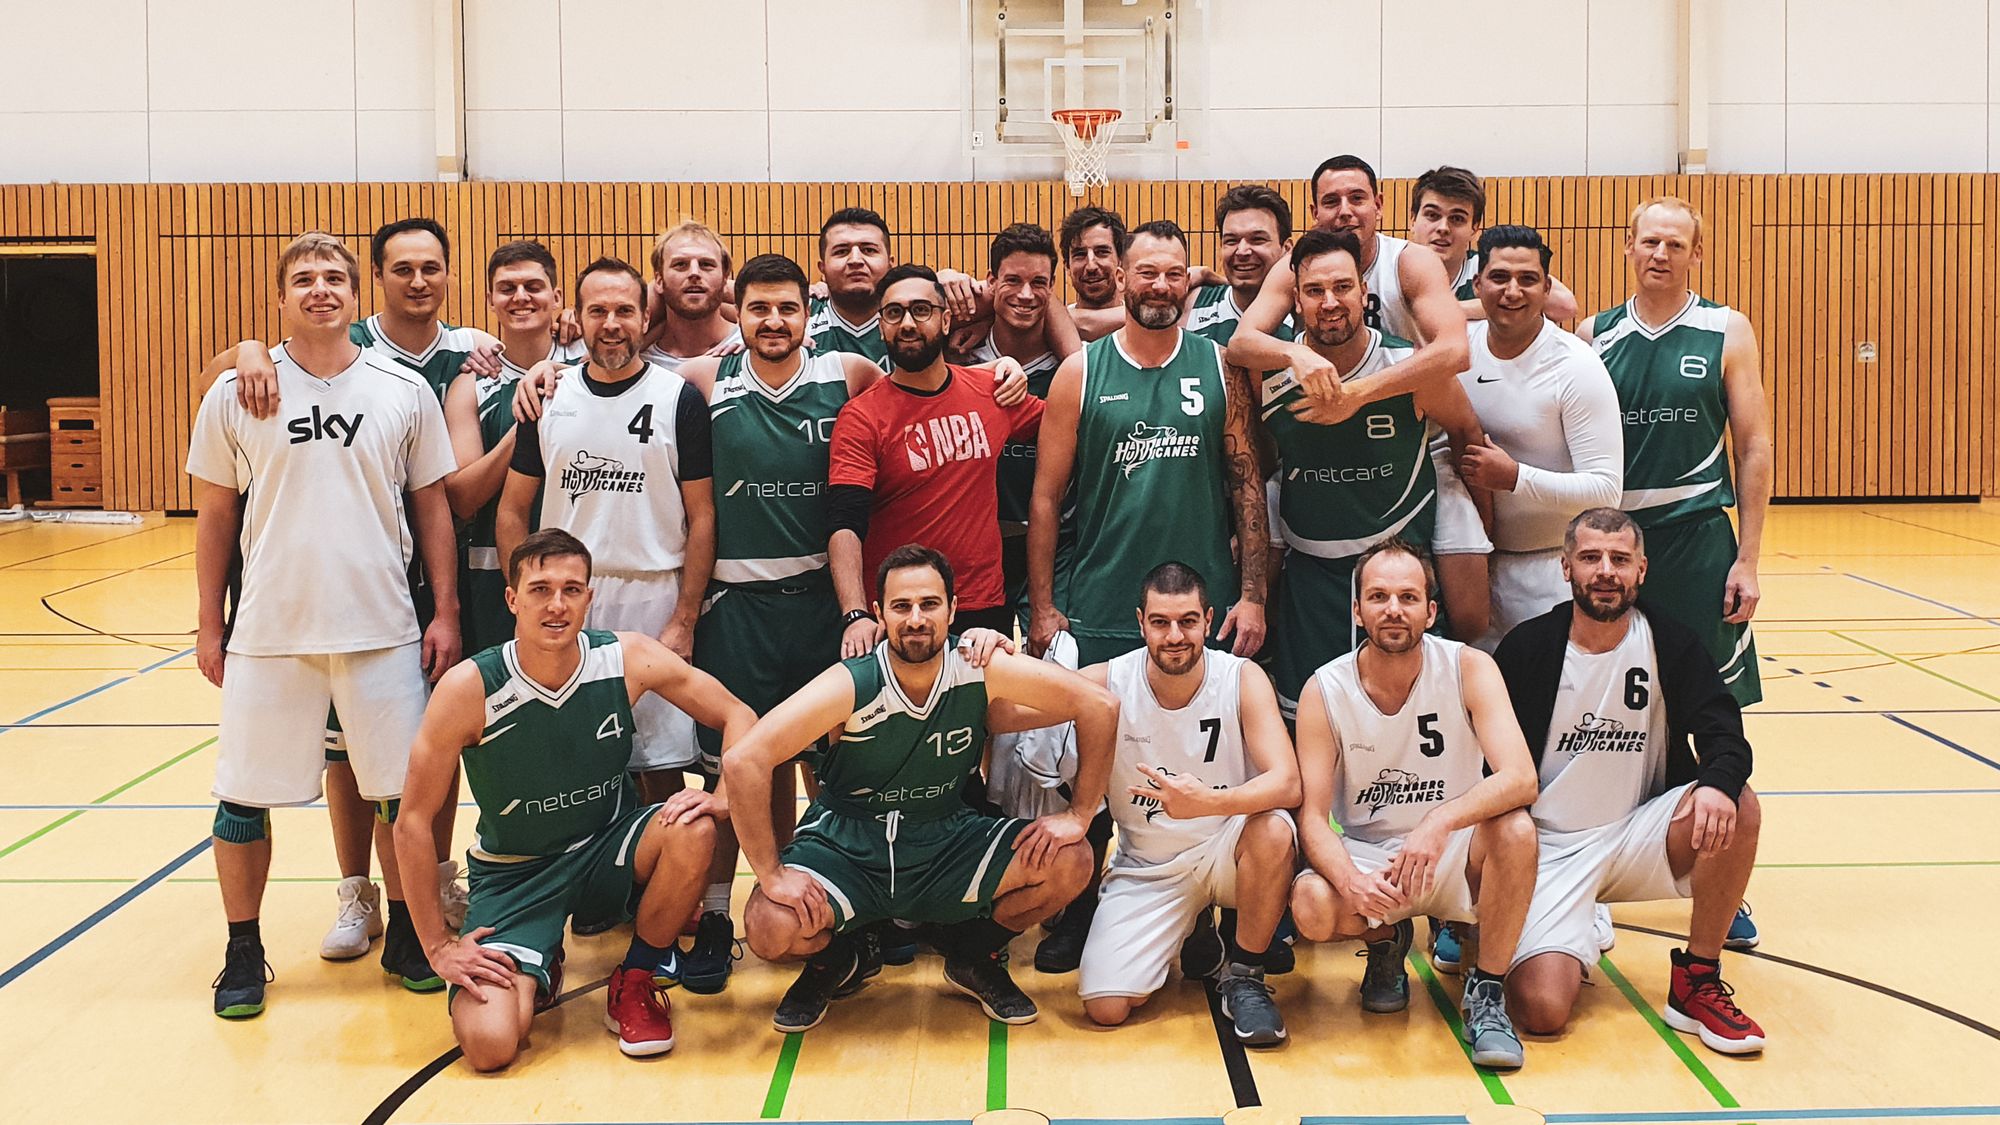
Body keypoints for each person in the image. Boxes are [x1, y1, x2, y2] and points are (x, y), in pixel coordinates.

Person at [197, 217, 495, 959]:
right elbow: (216, 515)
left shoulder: (404, 388)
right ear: (280, 299)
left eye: (333, 279)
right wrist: (208, 623)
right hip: (270, 629)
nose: (320, 290)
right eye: (303, 280)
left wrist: (446, 611)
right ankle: (243, 948)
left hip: (383, 625)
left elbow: (432, 508)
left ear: (355, 295)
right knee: (241, 798)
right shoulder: (239, 390)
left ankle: (407, 934)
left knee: (401, 793)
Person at [394, 529, 756, 1070]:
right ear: (512, 598)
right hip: (516, 875)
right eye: (540, 589)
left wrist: (723, 797)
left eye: (571, 589)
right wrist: (437, 946)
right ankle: (541, 958)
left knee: (694, 827)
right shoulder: (470, 687)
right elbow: (412, 823)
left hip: (607, 850)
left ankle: (636, 978)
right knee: (490, 1044)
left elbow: (738, 715)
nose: (557, 605)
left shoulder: (625, 657)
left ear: (589, 597)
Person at [725, 546, 1119, 1032]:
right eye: (902, 606)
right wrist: (771, 875)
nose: (915, 619)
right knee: (768, 927)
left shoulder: (979, 668)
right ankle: (838, 960)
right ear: (879, 614)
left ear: (953, 610)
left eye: (929, 604)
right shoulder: (852, 683)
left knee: (1071, 860)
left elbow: (1099, 704)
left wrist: (1080, 815)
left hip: (944, 840)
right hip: (848, 845)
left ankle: (975, 955)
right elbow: (743, 760)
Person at [664, 253, 887, 993]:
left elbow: (919, 397)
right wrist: (543, 369)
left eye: (787, 307)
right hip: (737, 608)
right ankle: (717, 916)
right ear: (739, 311)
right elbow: (619, 373)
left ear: (808, 313)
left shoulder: (848, 374)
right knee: (735, 772)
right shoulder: (703, 380)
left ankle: (842, 913)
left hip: (821, 603)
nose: (773, 321)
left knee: (833, 774)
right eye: (758, 307)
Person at [1495, 508, 1766, 1054]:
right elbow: (1486, 767)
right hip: (1548, 851)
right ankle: (1563, 920)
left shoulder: (1671, 642)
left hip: (1638, 835)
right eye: (1590, 558)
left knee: (1737, 803)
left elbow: (1725, 733)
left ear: (1641, 570)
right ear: (1565, 567)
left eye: (1619, 559)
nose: (1605, 571)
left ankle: (1697, 980)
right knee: (1542, 1011)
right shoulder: (1527, 649)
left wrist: (1716, 784)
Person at [1583, 196, 1772, 950]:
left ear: (1697, 252)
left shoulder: (1726, 329)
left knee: (1710, 709)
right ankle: (1599, 868)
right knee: (1612, 712)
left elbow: (1752, 446)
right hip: (1616, 547)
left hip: (1696, 540)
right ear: (1627, 247)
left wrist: (1748, 557)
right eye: (1649, 241)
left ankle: (1723, 875)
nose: (1660, 254)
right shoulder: (1595, 335)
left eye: (1675, 243)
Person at [1288, 540, 1538, 1069]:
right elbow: (1311, 820)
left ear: (1431, 610)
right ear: (1357, 610)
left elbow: (1520, 778)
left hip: (1452, 848)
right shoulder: (1324, 689)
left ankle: (1487, 993)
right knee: (1310, 905)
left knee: (1517, 830)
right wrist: (1352, 884)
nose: (1393, 609)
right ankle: (1387, 939)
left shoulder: (1470, 667)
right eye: (1378, 596)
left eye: (1408, 597)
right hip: (1373, 857)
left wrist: (1439, 820)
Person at [1225, 156, 1486, 645]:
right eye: (1331, 201)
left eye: (1357, 198)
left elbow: (1454, 351)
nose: (1345, 211)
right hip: (1325, 419)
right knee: (1276, 523)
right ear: (1315, 212)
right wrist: (1296, 354)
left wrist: (1355, 396)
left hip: (1419, 429)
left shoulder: (1410, 261)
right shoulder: (1295, 266)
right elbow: (1242, 343)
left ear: (1379, 206)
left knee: (1470, 613)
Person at [496, 257, 714, 805]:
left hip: (653, 597)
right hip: (566, 600)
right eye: (597, 311)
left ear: (644, 318)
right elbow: (511, 511)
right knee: (570, 760)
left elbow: (703, 517)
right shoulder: (548, 397)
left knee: (659, 767)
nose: (611, 324)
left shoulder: (678, 398)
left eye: (624, 311)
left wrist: (684, 619)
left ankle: (664, 864)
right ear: (577, 317)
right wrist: (525, 598)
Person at [1257, 229, 1487, 721]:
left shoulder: (1410, 367)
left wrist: (1490, 531)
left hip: (1398, 578)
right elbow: (1261, 459)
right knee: (1312, 728)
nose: (1330, 302)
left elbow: (1468, 434)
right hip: (1311, 580)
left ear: (1365, 293)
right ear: (1295, 300)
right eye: (1315, 291)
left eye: (1343, 287)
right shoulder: (1269, 374)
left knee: (1416, 728)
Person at [1076, 563, 1300, 1047]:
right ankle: (1193, 926)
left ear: (1209, 620)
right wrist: (991, 650)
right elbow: (1016, 703)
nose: (1175, 636)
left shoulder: (1240, 677)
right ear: (1141, 623)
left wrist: (1209, 802)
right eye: (1161, 622)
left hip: (1228, 850)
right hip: (1149, 866)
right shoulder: (1106, 682)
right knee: (1106, 1007)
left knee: (1275, 830)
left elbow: (1288, 783)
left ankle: (1245, 974)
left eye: (1188, 621)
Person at [1028, 219, 1269, 667]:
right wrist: (1043, 607)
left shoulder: (1221, 366)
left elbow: (1248, 487)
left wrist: (1253, 597)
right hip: (1103, 604)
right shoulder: (1079, 372)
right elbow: (1046, 498)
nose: (1161, 286)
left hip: (1203, 608)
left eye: (1174, 274)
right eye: (1148, 273)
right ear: (1121, 278)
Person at [828, 265, 1044, 646]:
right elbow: (844, 523)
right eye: (894, 313)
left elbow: (1070, 422)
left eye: (921, 310)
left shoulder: (993, 392)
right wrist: (856, 614)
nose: (907, 323)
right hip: (901, 611)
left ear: (945, 321)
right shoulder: (861, 416)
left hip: (981, 605)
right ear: (881, 326)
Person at [1454, 226, 1623, 648]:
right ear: (1477, 284)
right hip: (1470, 572)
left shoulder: (1576, 366)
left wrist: (1514, 477)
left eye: (1527, 279)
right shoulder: (1458, 353)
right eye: (1499, 277)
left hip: (1550, 574)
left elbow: (1606, 491)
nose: (1512, 291)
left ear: (1546, 288)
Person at [445, 240, 586, 656]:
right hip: (496, 573)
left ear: (556, 298)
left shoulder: (589, 366)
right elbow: (462, 497)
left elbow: (654, 305)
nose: (521, 297)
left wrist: (580, 317)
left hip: (585, 565)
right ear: (490, 300)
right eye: (507, 289)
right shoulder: (472, 383)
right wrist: (527, 421)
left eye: (533, 287)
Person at [943, 223, 1084, 613]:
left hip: (1061, 548)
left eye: (1038, 282)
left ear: (1053, 287)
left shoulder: (1075, 368)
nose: (1025, 294)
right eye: (1012, 281)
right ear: (991, 282)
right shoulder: (956, 359)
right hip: (974, 551)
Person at [1186, 185, 1296, 347]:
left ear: (1286, 249)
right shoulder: (1191, 303)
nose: (1242, 251)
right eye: (1231, 241)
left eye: (1257, 239)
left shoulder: (1306, 315)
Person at [640, 221, 741, 370]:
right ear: (659, 280)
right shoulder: (637, 365)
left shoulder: (754, 348)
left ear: (725, 279)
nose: (694, 273)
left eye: (706, 264)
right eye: (680, 264)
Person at [808, 207, 896, 364]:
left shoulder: (918, 316)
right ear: (823, 268)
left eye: (868, 250)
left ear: (890, 264)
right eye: (841, 251)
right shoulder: (799, 318)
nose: (855, 260)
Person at [1060, 205, 1129, 342]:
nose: (1091, 266)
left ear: (1121, 260)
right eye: (1080, 254)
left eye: (1102, 252)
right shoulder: (1049, 332)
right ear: (1067, 266)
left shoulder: (1146, 329)